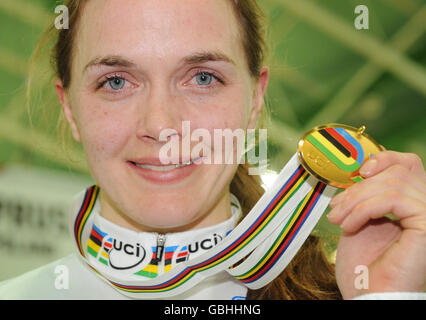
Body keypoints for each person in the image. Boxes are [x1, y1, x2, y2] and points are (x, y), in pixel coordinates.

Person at [0, 0, 425, 300]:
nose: (161, 126)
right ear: (69, 108)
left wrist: (388, 297)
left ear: (255, 101)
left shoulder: (344, 291)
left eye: (202, 78)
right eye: (116, 82)